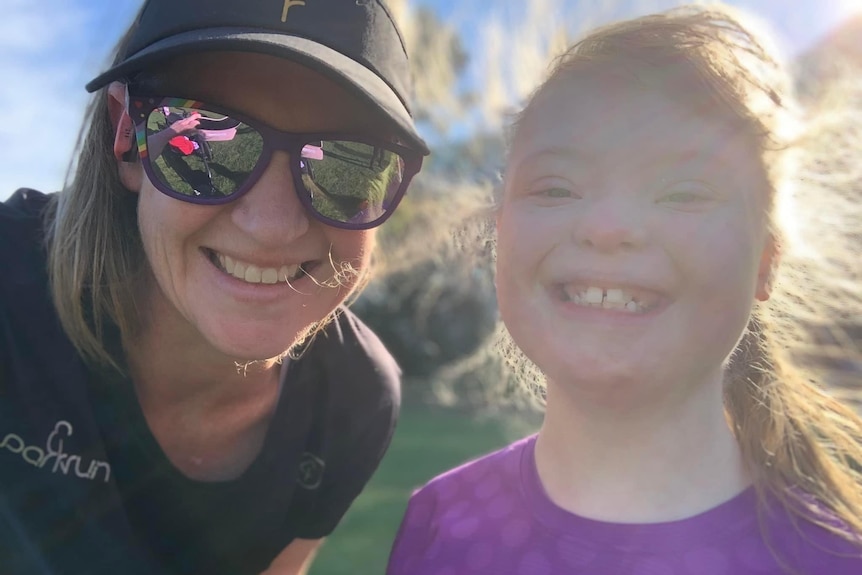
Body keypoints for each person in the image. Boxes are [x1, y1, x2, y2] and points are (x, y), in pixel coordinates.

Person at [387, 5, 862, 574]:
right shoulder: (439, 521)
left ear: (765, 262)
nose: (607, 227)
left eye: (684, 192)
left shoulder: (831, 559)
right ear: (499, 240)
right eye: (557, 187)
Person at [0, 0, 428, 574]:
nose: (272, 226)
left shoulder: (354, 401)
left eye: (348, 166)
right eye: (205, 140)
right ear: (126, 137)